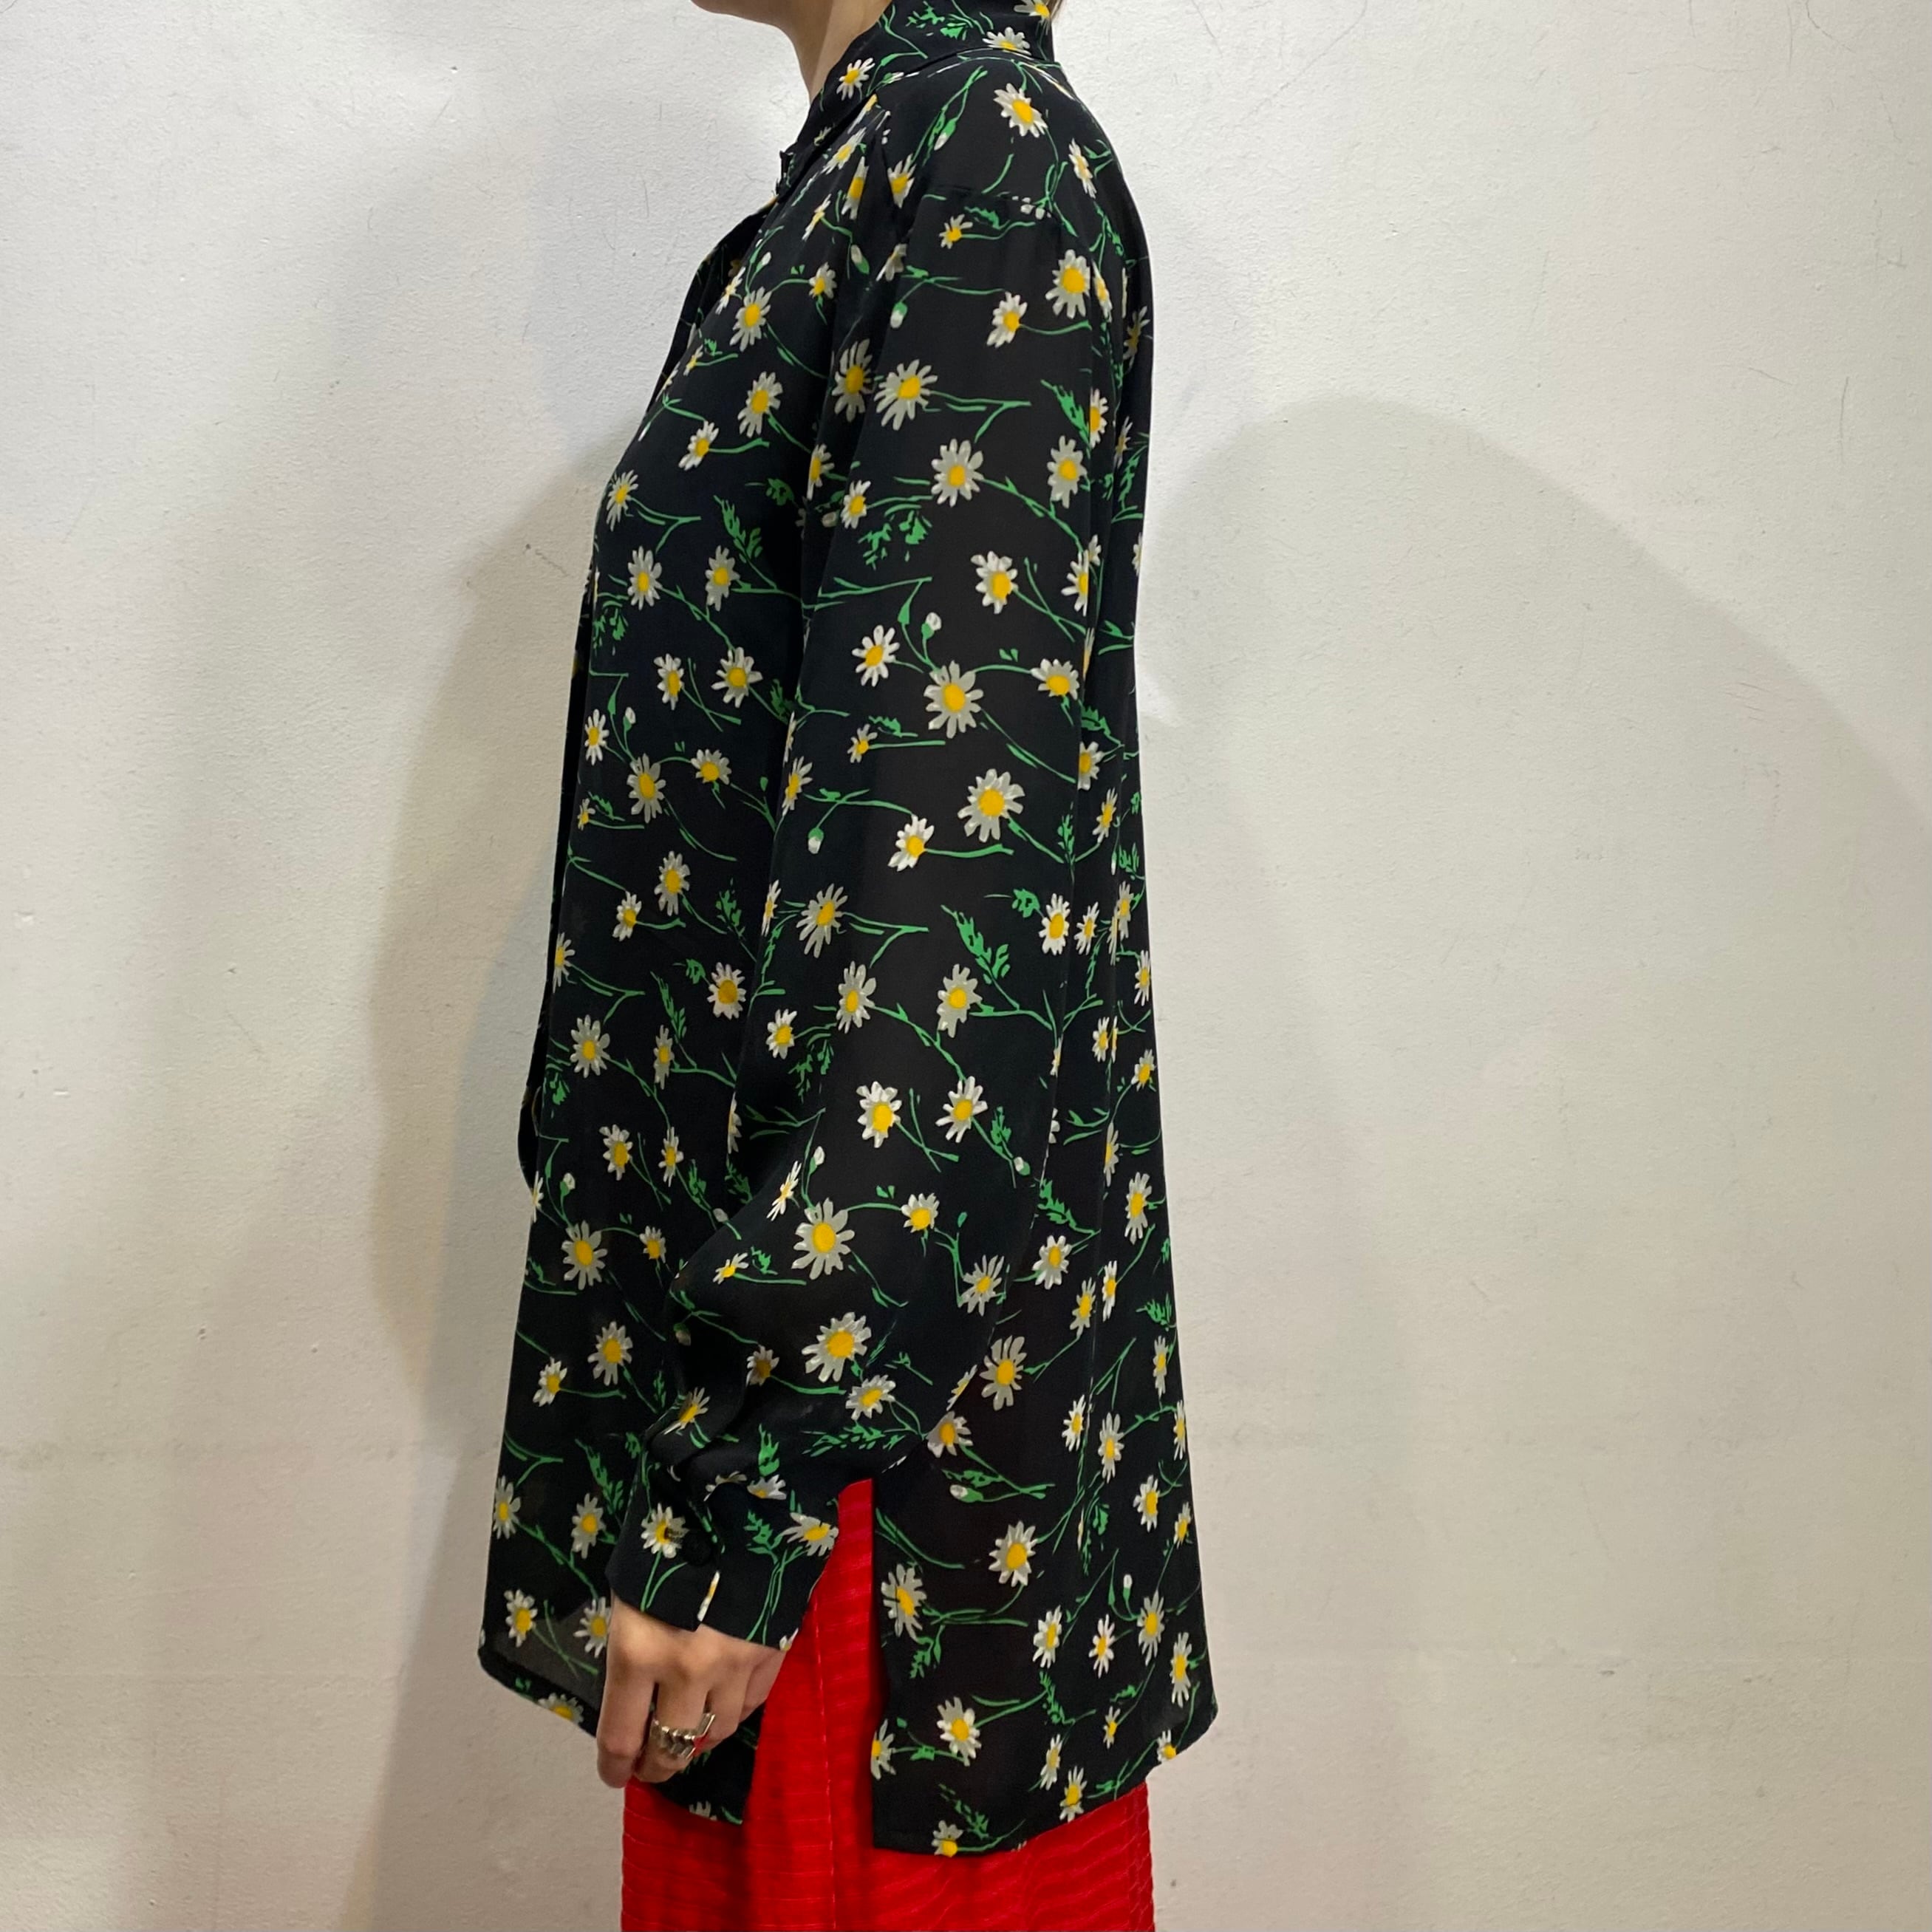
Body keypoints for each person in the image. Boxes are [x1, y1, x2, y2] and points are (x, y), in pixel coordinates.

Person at [477, 0, 1217, 1922]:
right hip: (785, 1407)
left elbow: (944, 878)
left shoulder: (977, 161)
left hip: (866, 1465)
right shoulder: (859, 188)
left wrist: (756, 1487)